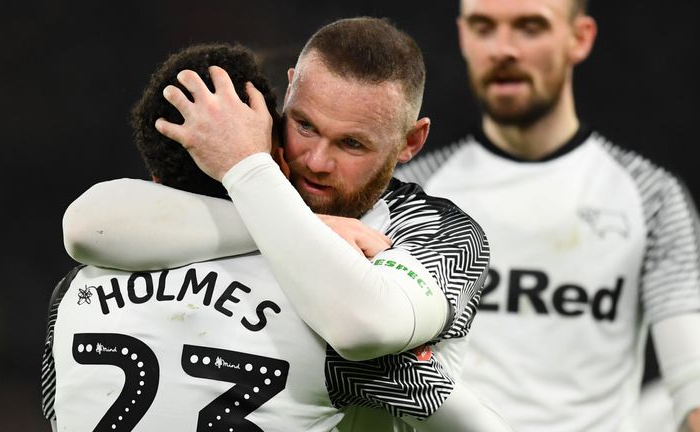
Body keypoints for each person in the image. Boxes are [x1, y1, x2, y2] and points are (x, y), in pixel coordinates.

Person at [61, 18, 508, 430]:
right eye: (305, 125)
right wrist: (277, 199)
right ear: (289, 91)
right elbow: (85, 224)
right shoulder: (226, 201)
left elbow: (361, 325)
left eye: (352, 144)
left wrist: (252, 178)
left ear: (411, 142)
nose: (316, 161)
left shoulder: (435, 230)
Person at [394, 0, 700, 430]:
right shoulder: (413, 192)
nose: (503, 49)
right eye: (484, 27)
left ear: (581, 38)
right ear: (463, 36)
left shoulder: (651, 196)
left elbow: (693, 388)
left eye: (530, 27)